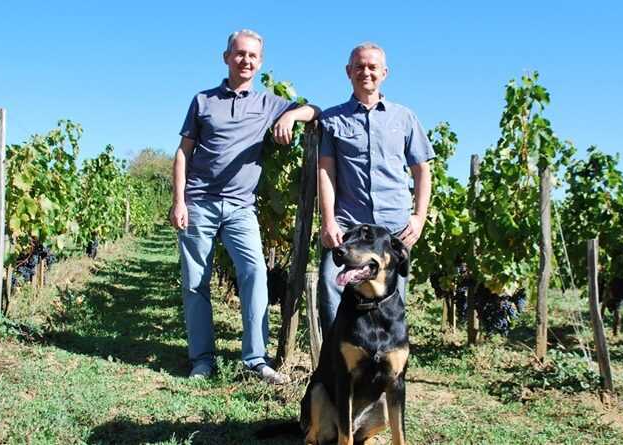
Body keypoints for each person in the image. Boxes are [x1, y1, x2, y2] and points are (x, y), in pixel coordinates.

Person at [170, 29, 320, 383]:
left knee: (255, 275)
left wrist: (289, 117)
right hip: (199, 202)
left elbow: (315, 110)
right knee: (195, 283)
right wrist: (179, 201)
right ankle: (202, 360)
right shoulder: (203, 101)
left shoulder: (268, 103)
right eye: (239, 54)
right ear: (226, 57)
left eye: (252, 56)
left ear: (260, 62)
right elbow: (183, 153)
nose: (245, 60)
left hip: (241, 207)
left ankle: (255, 359)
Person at [317, 42, 433, 331]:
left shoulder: (404, 118)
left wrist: (419, 217)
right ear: (348, 71)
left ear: (384, 73)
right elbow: (326, 172)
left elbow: (422, 171)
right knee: (331, 285)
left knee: (391, 297)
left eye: (372, 67)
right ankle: (334, 352)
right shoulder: (332, 119)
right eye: (359, 66)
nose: (365, 72)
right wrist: (329, 221)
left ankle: (385, 356)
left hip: (394, 227)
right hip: (349, 225)